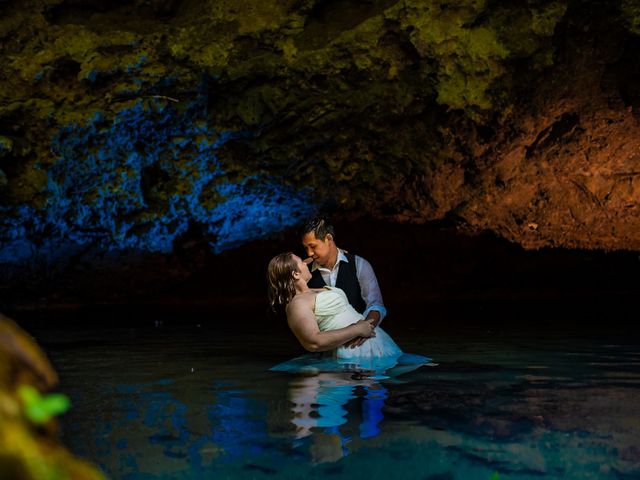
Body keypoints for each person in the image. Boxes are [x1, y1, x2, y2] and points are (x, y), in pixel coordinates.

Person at [267, 252, 427, 375]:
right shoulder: (297, 304)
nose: (306, 261)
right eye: (301, 262)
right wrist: (357, 330)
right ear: (296, 274)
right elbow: (312, 342)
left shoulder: (314, 291)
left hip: (377, 346)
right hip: (354, 354)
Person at [301, 218, 386, 340]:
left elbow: (376, 305)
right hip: (323, 347)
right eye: (306, 248)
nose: (309, 253)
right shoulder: (305, 273)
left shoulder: (359, 264)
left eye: (313, 246)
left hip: (359, 344)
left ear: (328, 239)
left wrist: (365, 330)